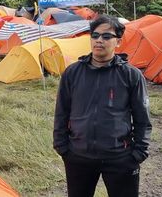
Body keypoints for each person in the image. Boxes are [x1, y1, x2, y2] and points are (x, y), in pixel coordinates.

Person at [53, 15, 151, 197]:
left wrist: (139, 153)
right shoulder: (72, 73)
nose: (99, 40)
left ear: (118, 42)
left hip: (120, 157)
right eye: (95, 35)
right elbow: (61, 112)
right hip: (78, 156)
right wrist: (62, 147)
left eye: (106, 36)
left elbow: (142, 118)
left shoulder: (131, 75)